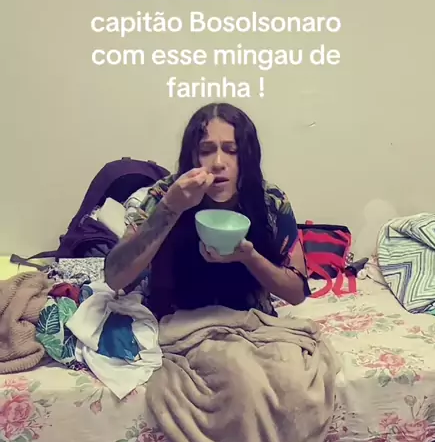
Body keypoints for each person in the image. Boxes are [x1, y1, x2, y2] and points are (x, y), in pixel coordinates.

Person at [105, 103, 310, 318]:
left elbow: (297, 294)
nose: (218, 163)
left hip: (250, 319)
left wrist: (250, 258)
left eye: (232, 150)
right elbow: (114, 278)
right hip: (171, 321)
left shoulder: (270, 200)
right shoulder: (167, 192)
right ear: (192, 157)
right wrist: (170, 208)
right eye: (206, 151)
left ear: (248, 157)